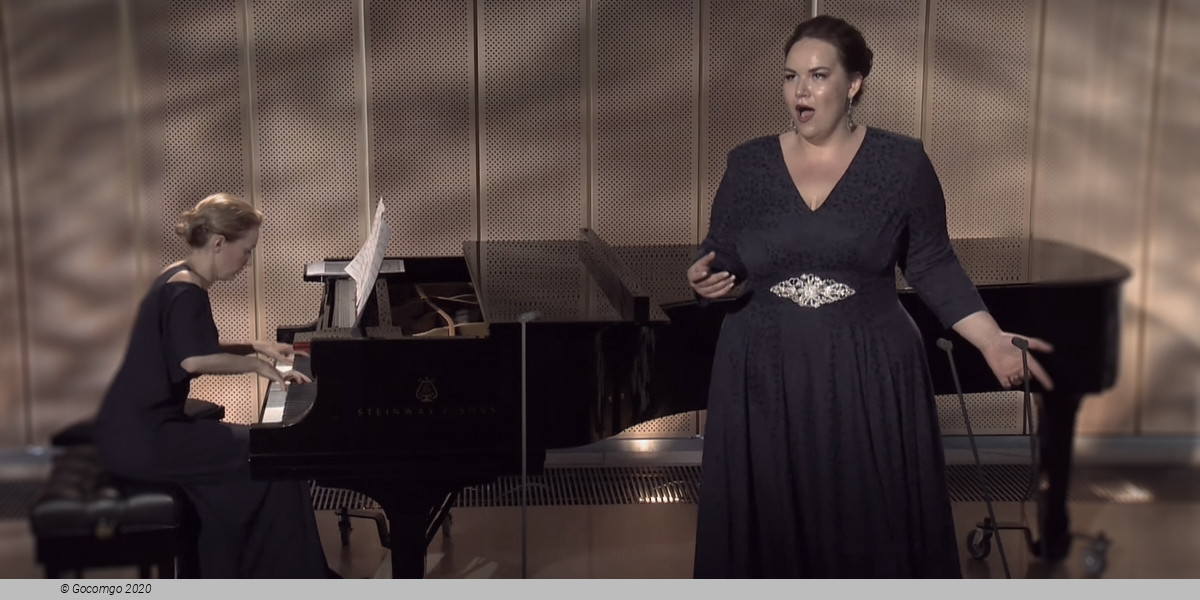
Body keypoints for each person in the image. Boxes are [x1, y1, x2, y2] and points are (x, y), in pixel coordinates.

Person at [687, 15, 1054, 578]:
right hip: (762, 371)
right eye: (790, 76)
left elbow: (932, 262)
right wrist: (705, 276)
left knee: (867, 525)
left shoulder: (901, 163)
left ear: (854, 83)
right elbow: (723, 250)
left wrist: (991, 341)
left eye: (817, 76)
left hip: (867, 371)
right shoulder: (748, 163)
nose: (800, 90)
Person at [93, 193, 331, 578]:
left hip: (132, 430)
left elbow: (187, 345)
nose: (247, 261)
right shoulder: (187, 292)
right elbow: (194, 360)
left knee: (264, 457)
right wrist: (254, 365)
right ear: (219, 243)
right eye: (246, 251)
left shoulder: (176, 275)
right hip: (146, 438)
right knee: (274, 457)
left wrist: (254, 346)